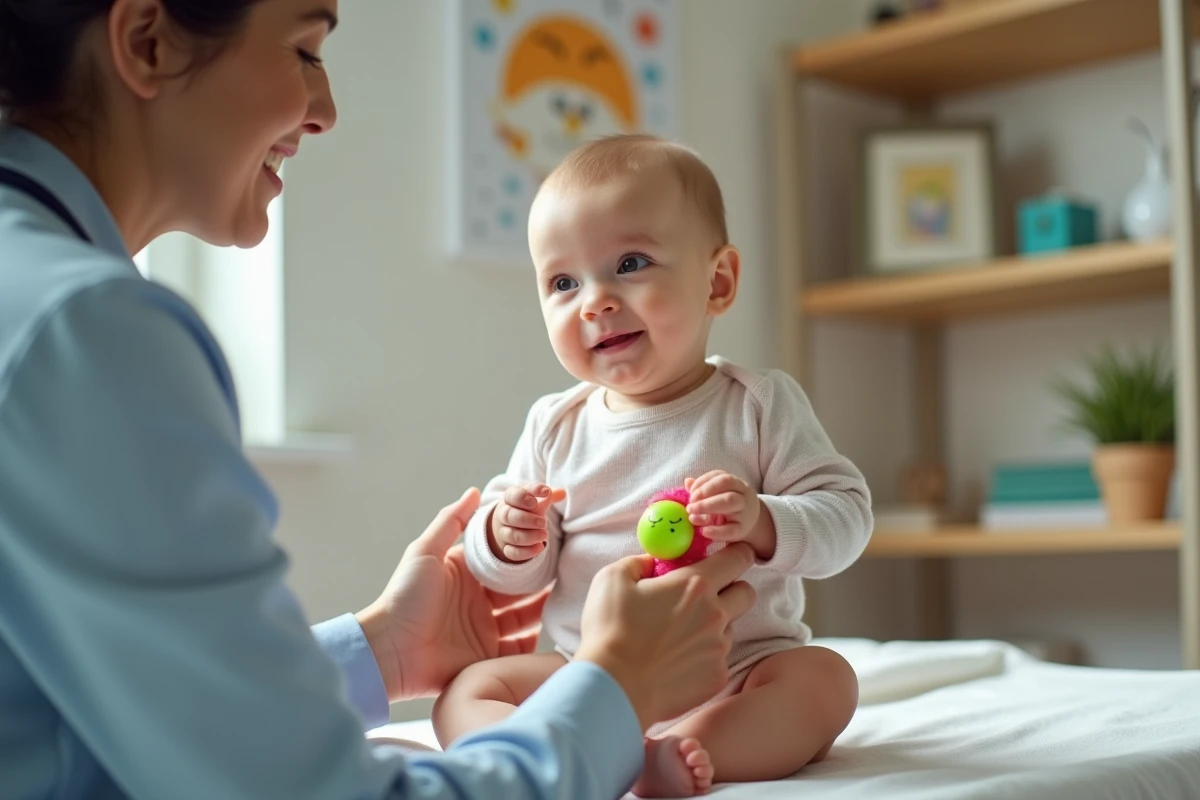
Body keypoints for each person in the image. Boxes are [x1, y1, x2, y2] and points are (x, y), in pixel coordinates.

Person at [0, 2, 760, 798]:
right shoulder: (83, 329)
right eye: (305, 49)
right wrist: (614, 688)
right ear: (147, 42)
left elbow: (99, 715)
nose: (325, 110)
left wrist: (382, 652)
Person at [432, 135, 874, 797]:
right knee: (469, 688)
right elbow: (506, 571)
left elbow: (846, 518)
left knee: (826, 680)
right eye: (562, 282)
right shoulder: (556, 424)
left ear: (717, 281)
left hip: (734, 665)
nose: (594, 301)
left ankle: (685, 750)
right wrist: (505, 537)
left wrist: (762, 520)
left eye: (630, 263)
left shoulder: (757, 404)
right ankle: (576, 747)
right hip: (593, 673)